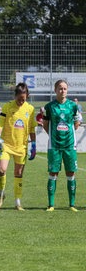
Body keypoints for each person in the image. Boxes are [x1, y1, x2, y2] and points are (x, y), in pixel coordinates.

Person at [0, 82, 37, 211]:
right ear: (15, 96)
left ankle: (18, 202)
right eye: (19, 99)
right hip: (6, 145)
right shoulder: (7, 107)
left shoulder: (30, 109)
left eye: (23, 99)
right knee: (1, 170)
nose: (21, 102)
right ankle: (1, 195)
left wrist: (33, 145)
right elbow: (0, 124)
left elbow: (32, 128)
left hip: (21, 147)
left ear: (27, 96)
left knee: (18, 174)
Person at [43, 80, 81, 212]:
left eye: (65, 89)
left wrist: (69, 134)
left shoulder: (73, 106)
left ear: (67, 90)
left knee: (71, 173)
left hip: (70, 146)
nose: (62, 91)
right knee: (53, 173)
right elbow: (45, 124)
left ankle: (72, 205)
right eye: (60, 88)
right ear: (55, 90)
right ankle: (51, 205)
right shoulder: (49, 106)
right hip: (54, 146)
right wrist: (53, 135)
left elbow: (77, 123)